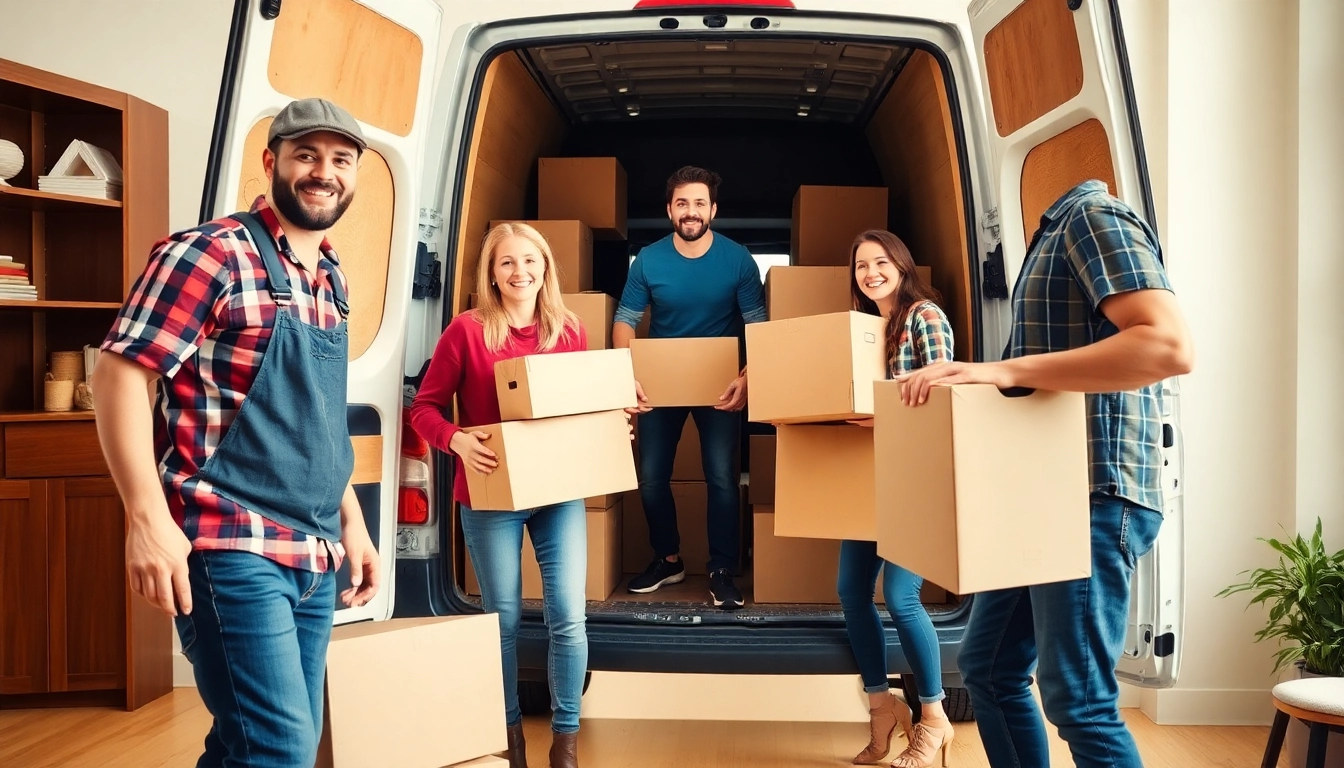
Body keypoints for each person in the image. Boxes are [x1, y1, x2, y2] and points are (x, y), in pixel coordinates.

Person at [92, 97, 379, 768]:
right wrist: (145, 518)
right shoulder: (211, 252)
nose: (323, 172)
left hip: (312, 552)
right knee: (278, 751)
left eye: (341, 160)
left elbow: (318, 418)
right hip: (230, 545)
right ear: (271, 161)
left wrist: (354, 523)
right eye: (306, 155)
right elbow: (118, 375)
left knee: (255, 745)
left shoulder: (330, 278)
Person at [898, 180, 1194, 768]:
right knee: (986, 669)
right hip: (1044, 498)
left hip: (1091, 495)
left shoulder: (1091, 216)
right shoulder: (1050, 235)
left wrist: (1003, 371)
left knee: (1080, 700)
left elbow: (1167, 345)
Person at [410, 222, 596, 768]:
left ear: (546, 268)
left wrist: (613, 417)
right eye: (507, 263)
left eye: (530, 261)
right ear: (492, 273)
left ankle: (565, 742)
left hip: (558, 489)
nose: (520, 272)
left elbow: (581, 406)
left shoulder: (570, 330)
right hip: (491, 491)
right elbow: (424, 409)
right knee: (504, 618)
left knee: (568, 614)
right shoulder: (467, 331)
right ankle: (509, 736)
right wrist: (457, 440)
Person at [614, 165, 766, 610]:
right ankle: (668, 558)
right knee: (651, 478)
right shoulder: (650, 259)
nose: (691, 211)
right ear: (669, 209)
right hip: (660, 384)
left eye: (700, 203)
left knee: (721, 478)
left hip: (720, 384)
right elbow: (624, 320)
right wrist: (628, 374)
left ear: (713, 209)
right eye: (682, 203)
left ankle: (722, 570)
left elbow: (757, 324)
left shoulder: (738, 260)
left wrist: (747, 377)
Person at [839, 231, 956, 767]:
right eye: (861, 266)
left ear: (901, 265)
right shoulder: (865, 329)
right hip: (870, 474)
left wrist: (875, 415)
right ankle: (881, 709)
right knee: (851, 591)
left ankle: (933, 718)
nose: (870, 273)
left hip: (916, 475)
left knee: (901, 594)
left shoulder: (923, 316)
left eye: (880, 262)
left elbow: (942, 397)